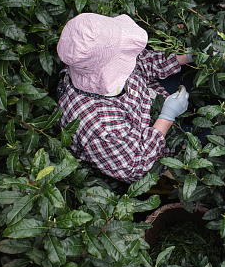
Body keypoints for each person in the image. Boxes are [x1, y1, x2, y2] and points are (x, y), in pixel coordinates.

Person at [55, 12, 192, 182]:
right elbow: (135, 166)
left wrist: (186, 57)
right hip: (149, 150)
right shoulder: (99, 127)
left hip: (150, 105)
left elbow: (140, 63)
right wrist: (166, 118)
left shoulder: (92, 62)